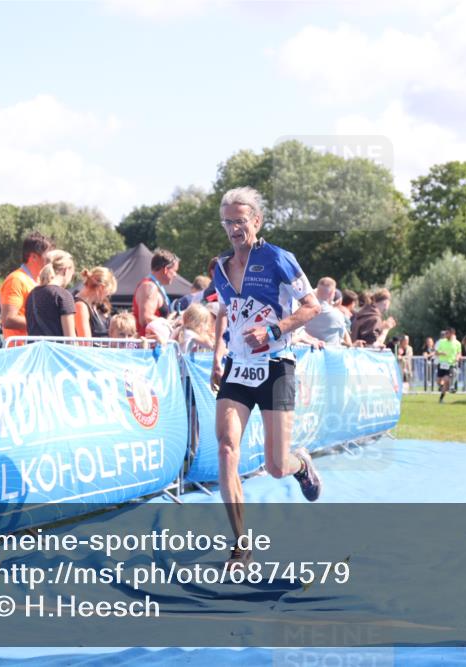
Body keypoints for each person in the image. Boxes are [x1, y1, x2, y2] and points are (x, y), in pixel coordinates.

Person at [208, 186, 322, 568]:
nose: (233, 229)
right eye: (227, 222)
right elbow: (225, 310)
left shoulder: (278, 259)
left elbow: (312, 307)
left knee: (275, 466)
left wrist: (274, 330)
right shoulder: (221, 266)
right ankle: (241, 544)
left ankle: (300, 463)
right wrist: (217, 356)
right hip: (238, 368)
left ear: (256, 221)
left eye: (240, 221)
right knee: (226, 448)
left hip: (276, 365)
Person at [0, 231, 55, 341]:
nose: (51, 260)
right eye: (47, 256)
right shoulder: (16, 280)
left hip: (36, 348)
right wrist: (43, 323)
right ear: (33, 257)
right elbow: (8, 319)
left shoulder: (40, 281)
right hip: (20, 349)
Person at [24, 250, 77, 338]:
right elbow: (70, 338)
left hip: (36, 347)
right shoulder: (63, 295)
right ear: (65, 271)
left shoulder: (32, 294)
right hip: (56, 347)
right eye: (72, 274)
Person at [133, 249, 180, 337]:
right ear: (166, 269)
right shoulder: (149, 286)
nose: (175, 275)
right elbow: (145, 319)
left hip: (155, 342)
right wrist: (169, 323)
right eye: (175, 271)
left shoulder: (153, 286)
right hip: (147, 343)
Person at [305, 276, 352, 347]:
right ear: (332, 293)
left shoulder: (304, 311)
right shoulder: (337, 315)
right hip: (329, 352)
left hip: (306, 351)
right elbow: (344, 339)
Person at [75, 267, 117, 338]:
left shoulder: (92, 306)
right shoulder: (80, 306)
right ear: (101, 288)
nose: (106, 297)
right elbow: (85, 341)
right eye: (107, 294)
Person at [435, 328, 460, 403]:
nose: (445, 335)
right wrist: (441, 353)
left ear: (452, 334)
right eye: (445, 333)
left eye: (447, 333)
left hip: (450, 364)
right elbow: (436, 352)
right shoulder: (441, 342)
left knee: (446, 380)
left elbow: (459, 353)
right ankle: (446, 388)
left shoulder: (457, 343)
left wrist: (457, 357)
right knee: (439, 381)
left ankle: (441, 398)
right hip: (441, 364)